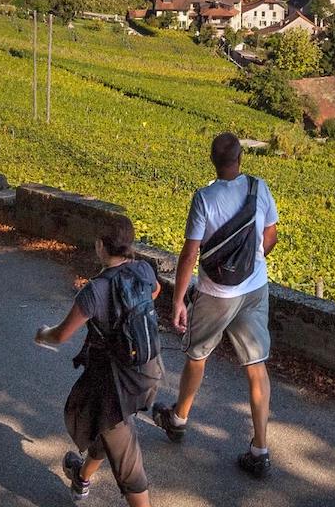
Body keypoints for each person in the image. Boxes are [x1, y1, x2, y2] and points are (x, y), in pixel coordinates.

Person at [151, 132, 279, 479]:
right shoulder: (259, 188)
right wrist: (251, 262)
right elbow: (271, 236)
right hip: (254, 289)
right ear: (240, 158)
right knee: (256, 367)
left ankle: (178, 419)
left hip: (215, 293)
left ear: (213, 160)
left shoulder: (204, 198)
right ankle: (260, 449)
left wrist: (178, 298)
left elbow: (191, 252)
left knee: (197, 354)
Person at [36, 223, 162, 505]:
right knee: (105, 430)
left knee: (130, 468)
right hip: (147, 372)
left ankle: (89, 482)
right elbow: (155, 292)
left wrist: (42, 334)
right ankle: (81, 478)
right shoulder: (143, 270)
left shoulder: (95, 290)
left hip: (113, 388)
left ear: (100, 246)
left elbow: (61, 335)